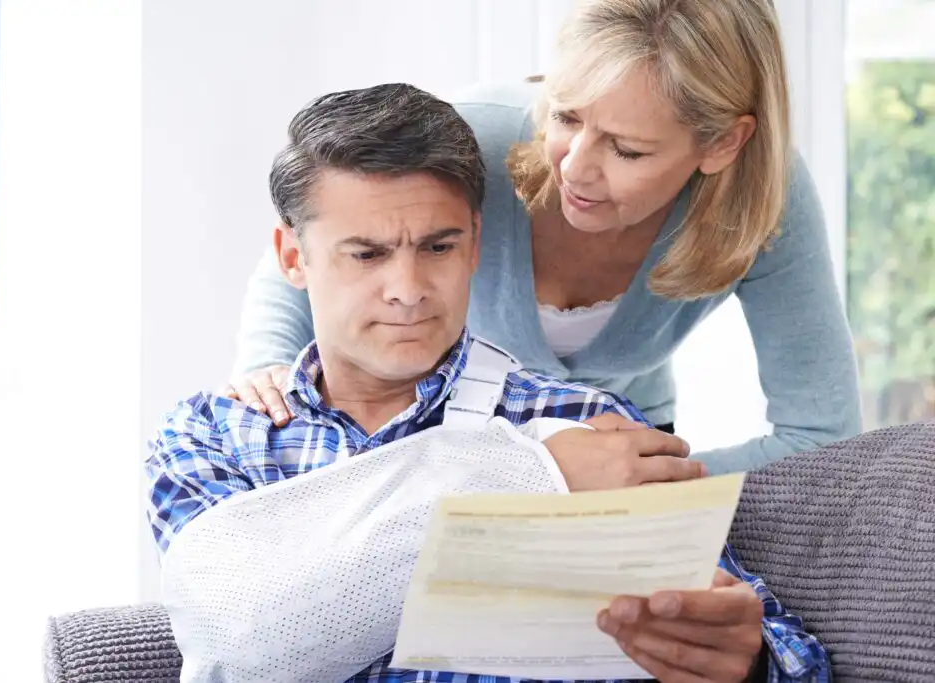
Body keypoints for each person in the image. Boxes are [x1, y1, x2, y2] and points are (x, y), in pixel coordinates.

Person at [146, 82, 829, 683]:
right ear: (295, 258)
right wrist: (533, 473)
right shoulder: (214, 437)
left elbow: (787, 647)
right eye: (368, 254)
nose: (408, 290)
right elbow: (239, 647)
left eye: (438, 247)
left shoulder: (595, 425)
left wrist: (749, 662)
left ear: (475, 243)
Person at [228, 0, 862, 475]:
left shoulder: (765, 204)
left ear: (723, 143)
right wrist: (268, 370)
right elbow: (314, 239)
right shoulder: (476, 138)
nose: (575, 169)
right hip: (442, 437)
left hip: (619, 446)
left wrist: (648, 484)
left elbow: (821, 435)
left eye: (628, 149)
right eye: (565, 116)